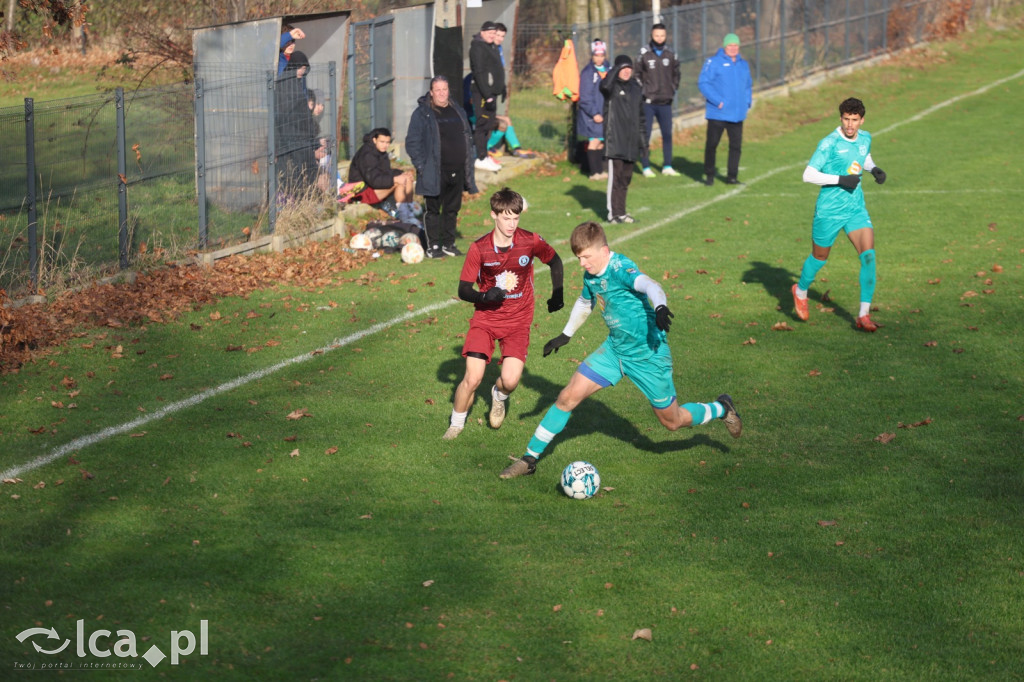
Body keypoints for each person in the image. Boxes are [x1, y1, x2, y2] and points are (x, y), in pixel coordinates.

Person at [499, 220, 742, 479]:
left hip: (648, 354)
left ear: (604, 250)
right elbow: (585, 301)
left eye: (586, 257)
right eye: (579, 258)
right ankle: (529, 459)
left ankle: (721, 408)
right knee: (567, 397)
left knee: (672, 422)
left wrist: (659, 306)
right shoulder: (591, 275)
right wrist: (565, 335)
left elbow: (651, 285)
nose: (582, 264)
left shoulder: (620, 268)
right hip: (614, 351)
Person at [443, 187, 564, 440]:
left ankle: (498, 395)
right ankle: (455, 425)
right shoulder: (479, 248)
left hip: (518, 321)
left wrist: (558, 293)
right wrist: (483, 296)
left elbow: (555, 261)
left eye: (515, 218)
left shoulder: (530, 241)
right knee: (472, 378)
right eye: (506, 217)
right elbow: (463, 289)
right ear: (493, 215)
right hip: (485, 320)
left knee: (509, 381)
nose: (511, 224)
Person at [792, 97, 887, 332]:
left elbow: (862, 156)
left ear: (862, 120)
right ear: (840, 118)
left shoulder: (866, 137)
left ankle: (863, 315)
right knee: (819, 258)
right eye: (846, 119)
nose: (850, 125)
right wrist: (840, 180)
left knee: (869, 256)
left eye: (854, 120)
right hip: (829, 211)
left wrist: (873, 168)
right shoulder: (829, 143)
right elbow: (808, 174)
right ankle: (801, 290)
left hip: (855, 208)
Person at [405, 75, 479, 259]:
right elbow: (412, 142)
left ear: (448, 90)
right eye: (437, 90)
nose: (441, 93)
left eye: (444, 89)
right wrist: (422, 166)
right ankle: (434, 246)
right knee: (433, 210)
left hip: (458, 169)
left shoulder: (458, 110)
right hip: (434, 171)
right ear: (431, 92)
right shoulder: (422, 113)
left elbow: (467, 137)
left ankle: (449, 243)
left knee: (452, 209)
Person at [698, 33, 753, 186]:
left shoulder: (743, 64)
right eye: (730, 45)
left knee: (735, 147)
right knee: (712, 145)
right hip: (718, 114)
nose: (733, 48)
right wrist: (718, 101)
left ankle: (732, 177)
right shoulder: (713, 62)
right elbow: (703, 83)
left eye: (736, 45)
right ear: (724, 46)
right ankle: (709, 174)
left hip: (737, 114)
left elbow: (748, 85)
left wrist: (747, 102)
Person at [599, 55, 645, 224]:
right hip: (615, 141)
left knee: (625, 179)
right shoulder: (610, 87)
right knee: (615, 178)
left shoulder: (636, 88)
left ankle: (622, 212)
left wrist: (643, 142)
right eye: (623, 68)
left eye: (629, 68)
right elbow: (604, 86)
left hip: (631, 142)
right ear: (617, 69)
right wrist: (613, 70)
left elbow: (641, 117)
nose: (626, 71)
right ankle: (613, 214)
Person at [344, 127, 419, 226]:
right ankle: (404, 217)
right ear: (374, 140)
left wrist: (401, 173)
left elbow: (385, 172)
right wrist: (396, 178)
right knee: (398, 182)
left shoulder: (380, 152)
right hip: (361, 192)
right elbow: (374, 180)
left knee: (406, 178)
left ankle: (410, 214)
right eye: (382, 142)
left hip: (372, 186)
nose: (385, 145)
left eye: (387, 142)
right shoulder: (367, 154)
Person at [484, 23, 537, 160]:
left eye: (503, 36)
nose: (500, 38)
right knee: (502, 123)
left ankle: (516, 148)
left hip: (490, 100)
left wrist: (501, 87)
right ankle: (485, 147)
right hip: (481, 106)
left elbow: (500, 69)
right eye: (498, 35)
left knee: (506, 120)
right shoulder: (485, 49)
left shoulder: (498, 49)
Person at [636, 23, 681, 177]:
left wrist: (672, 89)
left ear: (666, 36)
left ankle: (667, 165)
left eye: (662, 35)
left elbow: (677, 73)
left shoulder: (671, 53)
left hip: (665, 102)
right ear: (651, 35)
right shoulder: (644, 53)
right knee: (646, 135)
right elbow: (637, 74)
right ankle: (646, 167)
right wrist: (644, 91)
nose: (659, 38)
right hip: (648, 102)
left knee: (667, 135)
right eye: (656, 35)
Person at [468, 21, 505, 173]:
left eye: (493, 33)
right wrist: (488, 96)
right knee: (482, 124)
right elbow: (479, 73)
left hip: (491, 93)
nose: (492, 35)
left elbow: (496, 69)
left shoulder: (490, 46)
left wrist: (502, 88)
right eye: (489, 33)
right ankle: (480, 158)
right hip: (483, 93)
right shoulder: (477, 47)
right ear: (482, 32)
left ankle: (484, 155)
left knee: (489, 124)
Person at [578, 39, 610, 180]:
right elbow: (585, 96)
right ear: (592, 56)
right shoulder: (588, 72)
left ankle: (600, 171)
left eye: (601, 55)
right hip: (592, 114)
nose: (599, 58)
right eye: (596, 55)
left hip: (605, 112)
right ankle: (593, 173)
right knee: (594, 141)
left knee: (601, 142)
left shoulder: (608, 68)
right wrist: (594, 113)